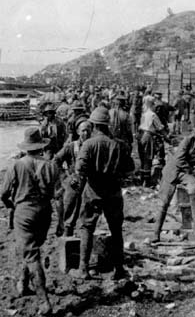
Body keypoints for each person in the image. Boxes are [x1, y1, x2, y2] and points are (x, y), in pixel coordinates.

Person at [0, 127, 59, 316]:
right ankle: (23, 284)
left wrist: (10, 205)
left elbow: (2, 193)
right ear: (41, 146)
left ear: (26, 147)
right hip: (44, 212)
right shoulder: (51, 165)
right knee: (32, 248)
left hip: (24, 212)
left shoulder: (17, 165)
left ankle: (44, 302)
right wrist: (62, 221)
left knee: (32, 255)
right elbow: (58, 195)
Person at [70, 107, 134, 280]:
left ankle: (83, 268)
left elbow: (79, 169)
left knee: (86, 228)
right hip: (113, 191)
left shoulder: (88, 144)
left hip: (93, 191)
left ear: (93, 124)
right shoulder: (120, 145)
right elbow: (130, 169)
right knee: (116, 229)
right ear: (108, 124)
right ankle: (119, 269)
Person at [53, 121, 93, 237]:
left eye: (88, 130)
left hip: (90, 182)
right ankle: (67, 232)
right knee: (70, 207)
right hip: (75, 181)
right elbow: (56, 161)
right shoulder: (71, 146)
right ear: (78, 132)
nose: (86, 133)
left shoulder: (93, 145)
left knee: (89, 211)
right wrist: (65, 177)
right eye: (83, 130)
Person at [138, 98, 167, 187]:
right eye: (154, 105)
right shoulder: (153, 115)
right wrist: (166, 136)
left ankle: (142, 179)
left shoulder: (144, 114)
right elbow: (160, 127)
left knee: (142, 158)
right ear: (152, 105)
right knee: (148, 158)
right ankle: (146, 182)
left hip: (141, 136)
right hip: (148, 136)